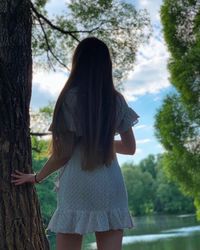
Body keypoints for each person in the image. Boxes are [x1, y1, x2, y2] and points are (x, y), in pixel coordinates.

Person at [11, 37, 139, 250]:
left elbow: (64, 153)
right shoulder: (116, 100)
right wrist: (101, 139)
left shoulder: (70, 98)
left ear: (78, 63)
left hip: (78, 184)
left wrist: (36, 177)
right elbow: (130, 148)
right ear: (106, 65)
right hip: (110, 186)